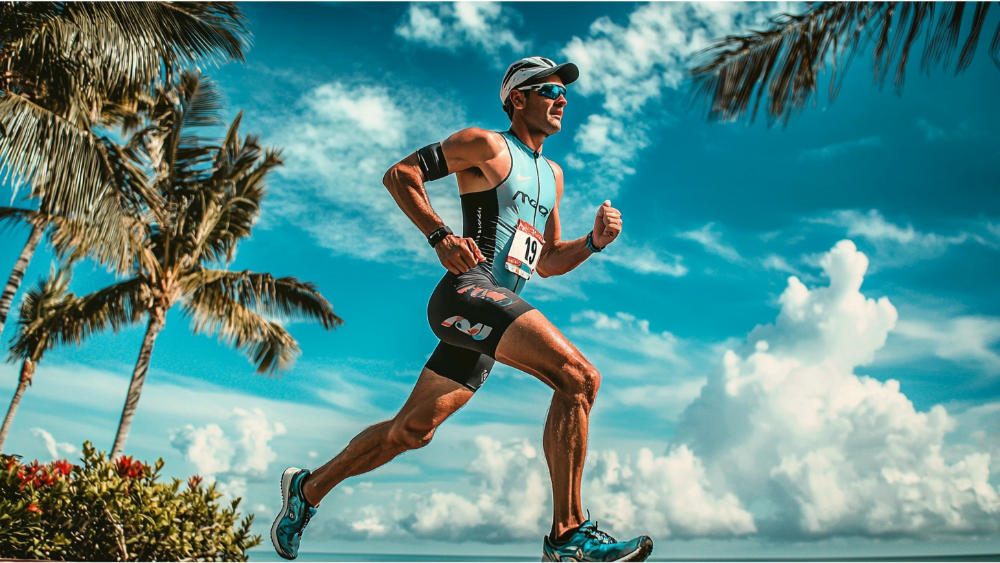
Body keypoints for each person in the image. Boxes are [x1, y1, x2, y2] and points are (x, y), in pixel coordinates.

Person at [271, 56, 653, 562]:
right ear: (517, 98)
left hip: (494, 311)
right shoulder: (487, 144)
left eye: (565, 93)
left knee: (412, 431)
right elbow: (400, 174)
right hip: (466, 293)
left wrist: (593, 243)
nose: (562, 100)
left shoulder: (553, 175)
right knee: (579, 379)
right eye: (549, 90)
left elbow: (548, 262)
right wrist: (440, 235)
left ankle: (307, 490)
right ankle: (567, 536)